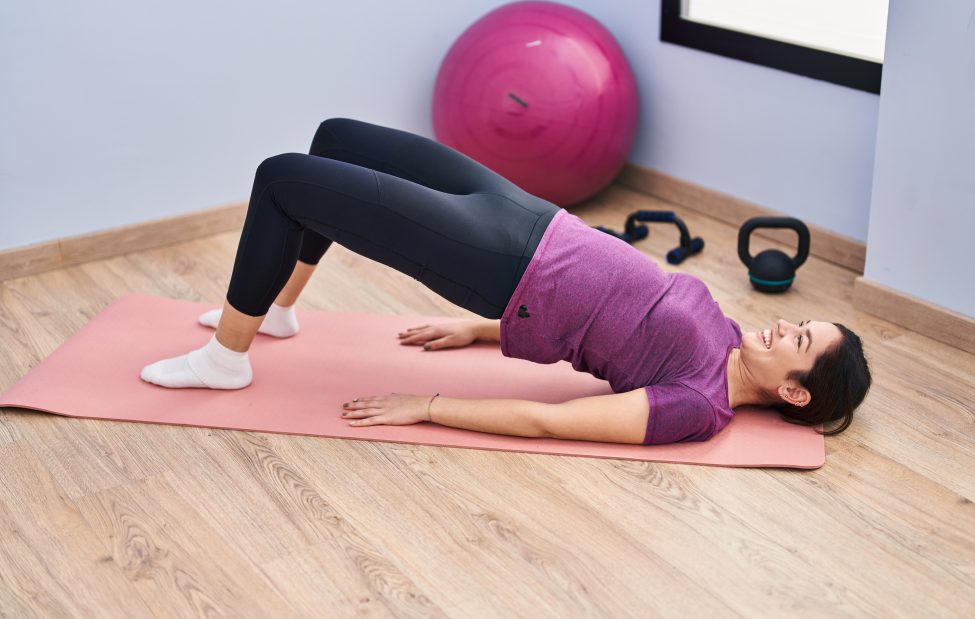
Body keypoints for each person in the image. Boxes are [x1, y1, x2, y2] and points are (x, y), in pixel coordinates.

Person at [140, 118, 871, 445]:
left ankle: (226, 359)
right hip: (534, 217)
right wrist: (478, 332)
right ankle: (277, 310)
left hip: (503, 263)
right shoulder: (731, 337)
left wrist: (428, 406)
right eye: (800, 323)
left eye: (799, 340)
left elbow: (553, 419)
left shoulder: (697, 405)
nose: (785, 325)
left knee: (281, 178)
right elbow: (614, 322)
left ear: (795, 392)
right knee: (335, 138)